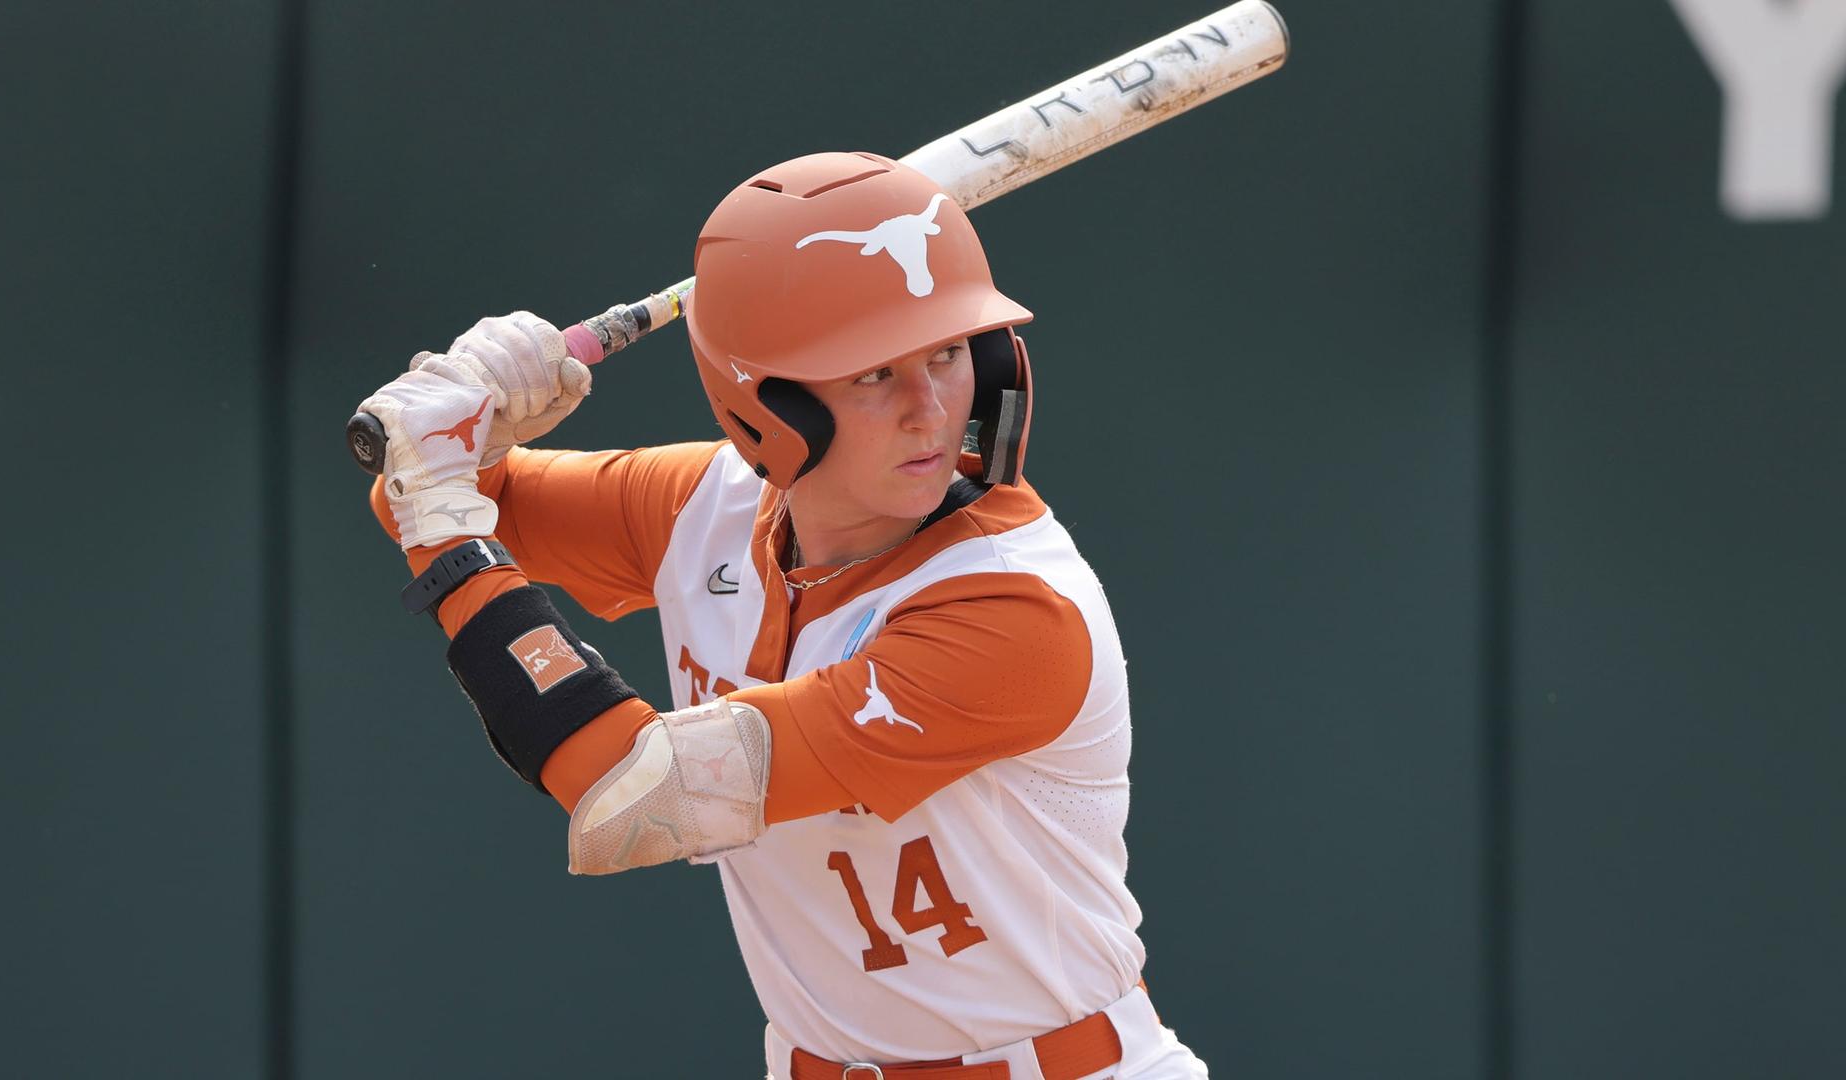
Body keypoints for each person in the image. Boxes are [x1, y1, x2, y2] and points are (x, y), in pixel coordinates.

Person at [358, 151, 1211, 1079]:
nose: (929, 411)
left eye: (948, 353)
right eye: (873, 373)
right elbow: (423, 496)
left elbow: (637, 801)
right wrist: (469, 430)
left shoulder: (1013, 609)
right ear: (764, 403)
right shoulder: (704, 506)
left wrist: (451, 537)